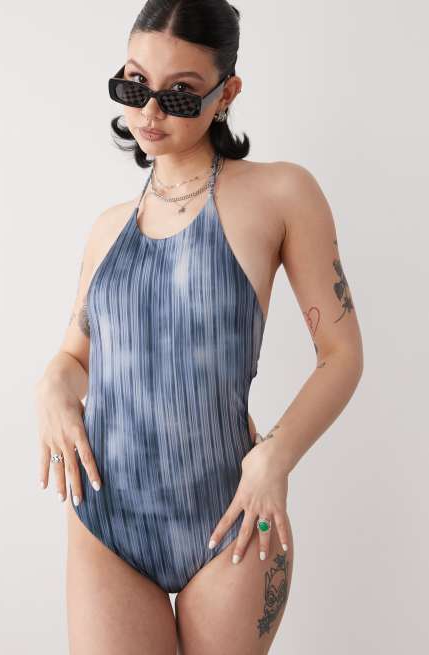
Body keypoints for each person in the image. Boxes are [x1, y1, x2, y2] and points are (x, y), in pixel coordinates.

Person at [34, 2, 364, 653]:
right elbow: (76, 357)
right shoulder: (107, 230)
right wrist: (50, 384)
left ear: (226, 94)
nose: (150, 112)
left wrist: (274, 456)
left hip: (232, 514)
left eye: (180, 94)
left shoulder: (280, 194)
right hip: (105, 521)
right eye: (135, 85)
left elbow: (340, 353)